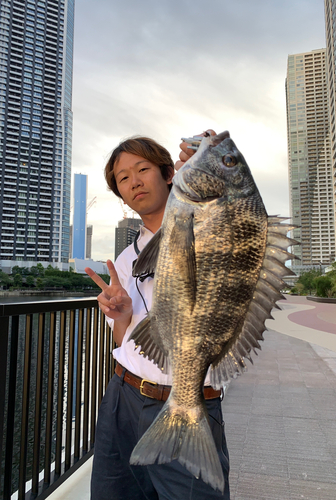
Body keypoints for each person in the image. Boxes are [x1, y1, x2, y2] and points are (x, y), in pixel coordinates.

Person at [85, 132, 230, 500]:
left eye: (143, 168)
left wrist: (207, 159)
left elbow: (228, 215)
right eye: (122, 178)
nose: (133, 181)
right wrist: (122, 314)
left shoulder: (206, 228)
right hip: (122, 395)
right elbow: (123, 340)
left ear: (169, 174)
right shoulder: (125, 258)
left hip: (188, 399)